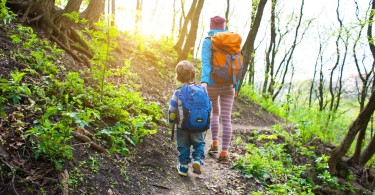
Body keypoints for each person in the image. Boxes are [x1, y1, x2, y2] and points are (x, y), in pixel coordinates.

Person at [200, 16, 236, 164]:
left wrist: (204, 82)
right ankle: (224, 153)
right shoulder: (232, 40)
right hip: (229, 84)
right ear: (224, 25)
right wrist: (237, 84)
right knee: (226, 118)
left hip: (213, 84)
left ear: (211, 25)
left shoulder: (208, 41)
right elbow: (237, 64)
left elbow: (206, 64)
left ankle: (214, 145)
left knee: (215, 112)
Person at [168, 60, 205, 176]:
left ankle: (183, 167)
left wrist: (171, 121)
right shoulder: (201, 90)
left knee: (183, 146)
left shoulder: (178, 92)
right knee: (199, 143)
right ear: (193, 75)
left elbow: (172, 109)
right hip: (198, 125)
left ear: (178, 77)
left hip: (182, 126)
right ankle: (197, 160)